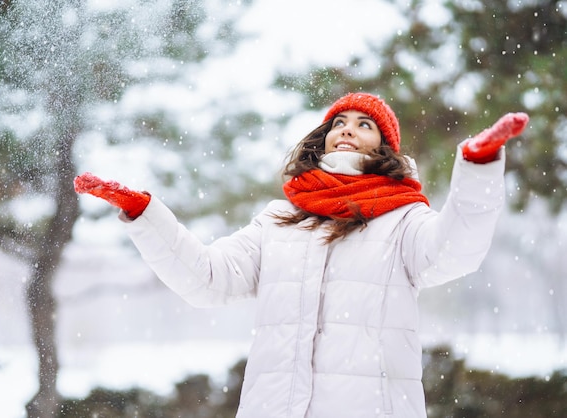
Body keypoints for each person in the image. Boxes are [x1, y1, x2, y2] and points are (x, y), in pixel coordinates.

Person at [74, 92, 528, 418]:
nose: (347, 128)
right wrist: (143, 213)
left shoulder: (402, 220)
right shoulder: (278, 219)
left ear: (383, 148)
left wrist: (478, 166)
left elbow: (456, 250)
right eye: (339, 122)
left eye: (363, 124)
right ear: (324, 139)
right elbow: (207, 279)